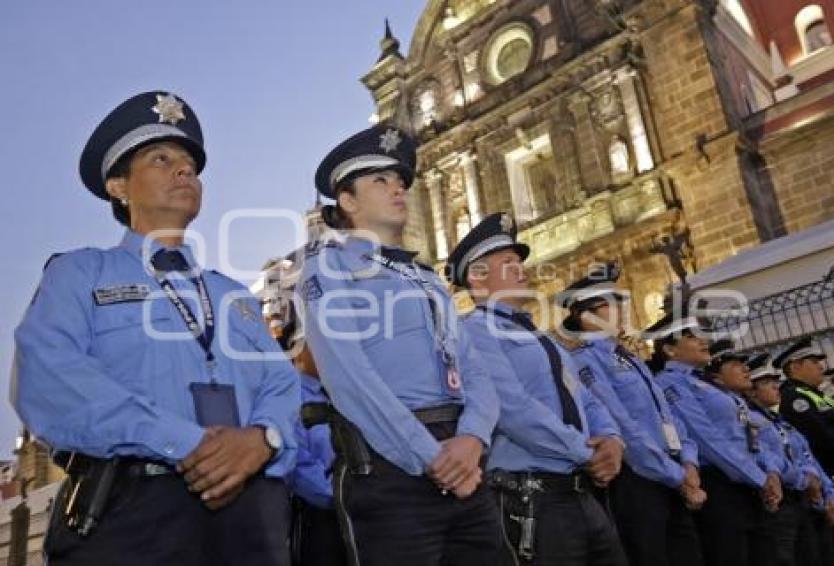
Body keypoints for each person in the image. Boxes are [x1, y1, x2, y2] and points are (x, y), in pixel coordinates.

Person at [11, 91, 299, 565]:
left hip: (251, 513)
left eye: (189, 163)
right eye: (161, 158)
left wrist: (263, 439)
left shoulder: (231, 295)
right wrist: (187, 443)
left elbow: (282, 383)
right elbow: (48, 378)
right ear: (117, 186)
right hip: (133, 510)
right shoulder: (80, 274)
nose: (185, 170)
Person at [296, 124, 500, 566]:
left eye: (401, 182)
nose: (398, 190)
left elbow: (473, 368)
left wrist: (473, 437)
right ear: (347, 201)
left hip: (462, 453)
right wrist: (433, 457)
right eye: (380, 181)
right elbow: (349, 376)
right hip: (389, 459)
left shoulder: (425, 278)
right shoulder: (327, 266)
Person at [446, 212, 628, 566]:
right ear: (476, 276)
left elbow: (584, 397)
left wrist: (611, 439)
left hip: (580, 491)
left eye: (519, 261)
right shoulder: (474, 331)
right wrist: (585, 452)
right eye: (508, 262)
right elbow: (512, 409)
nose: (520, 268)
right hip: (533, 498)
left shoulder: (543, 338)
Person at [559, 263, 704, 566]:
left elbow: (665, 414)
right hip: (638, 478)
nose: (621, 309)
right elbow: (621, 424)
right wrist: (676, 475)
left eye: (620, 301)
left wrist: (687, 462)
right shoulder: (584, 360)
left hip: (671, 473)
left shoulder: (627, 357)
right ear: (586, 316)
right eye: (609, 304)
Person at [651, 320, 782, 566]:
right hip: (720, 483)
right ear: (669, 350)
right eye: (691, 337)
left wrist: (770, 469)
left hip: (749, 480)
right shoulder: (670, 383)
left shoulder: (710, 383)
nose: (703, 340)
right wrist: (759, 477)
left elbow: (747, 431)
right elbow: (705, 437)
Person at [746, 353, 834, 566]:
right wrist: (805, 480)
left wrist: (829, 491)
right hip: (783, 500)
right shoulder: (753, 421)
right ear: (752, 392)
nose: (776, 387)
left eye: (776, 382)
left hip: (808, 501)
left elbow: (807, 457)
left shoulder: (782, 423)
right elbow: (765, 456)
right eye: (767, 383)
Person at [274, 304, 347, 566]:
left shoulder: (342, 393)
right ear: (298, 351)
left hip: (357, 509)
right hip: (319, 516)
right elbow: (297, 465)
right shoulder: (288, 397)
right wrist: (340, 497)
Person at [776, 339, 834, 566]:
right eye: (813, 361)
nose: (820, 367)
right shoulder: (795, 398)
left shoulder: (818, 396)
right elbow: (824, 437)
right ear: (795, 366)